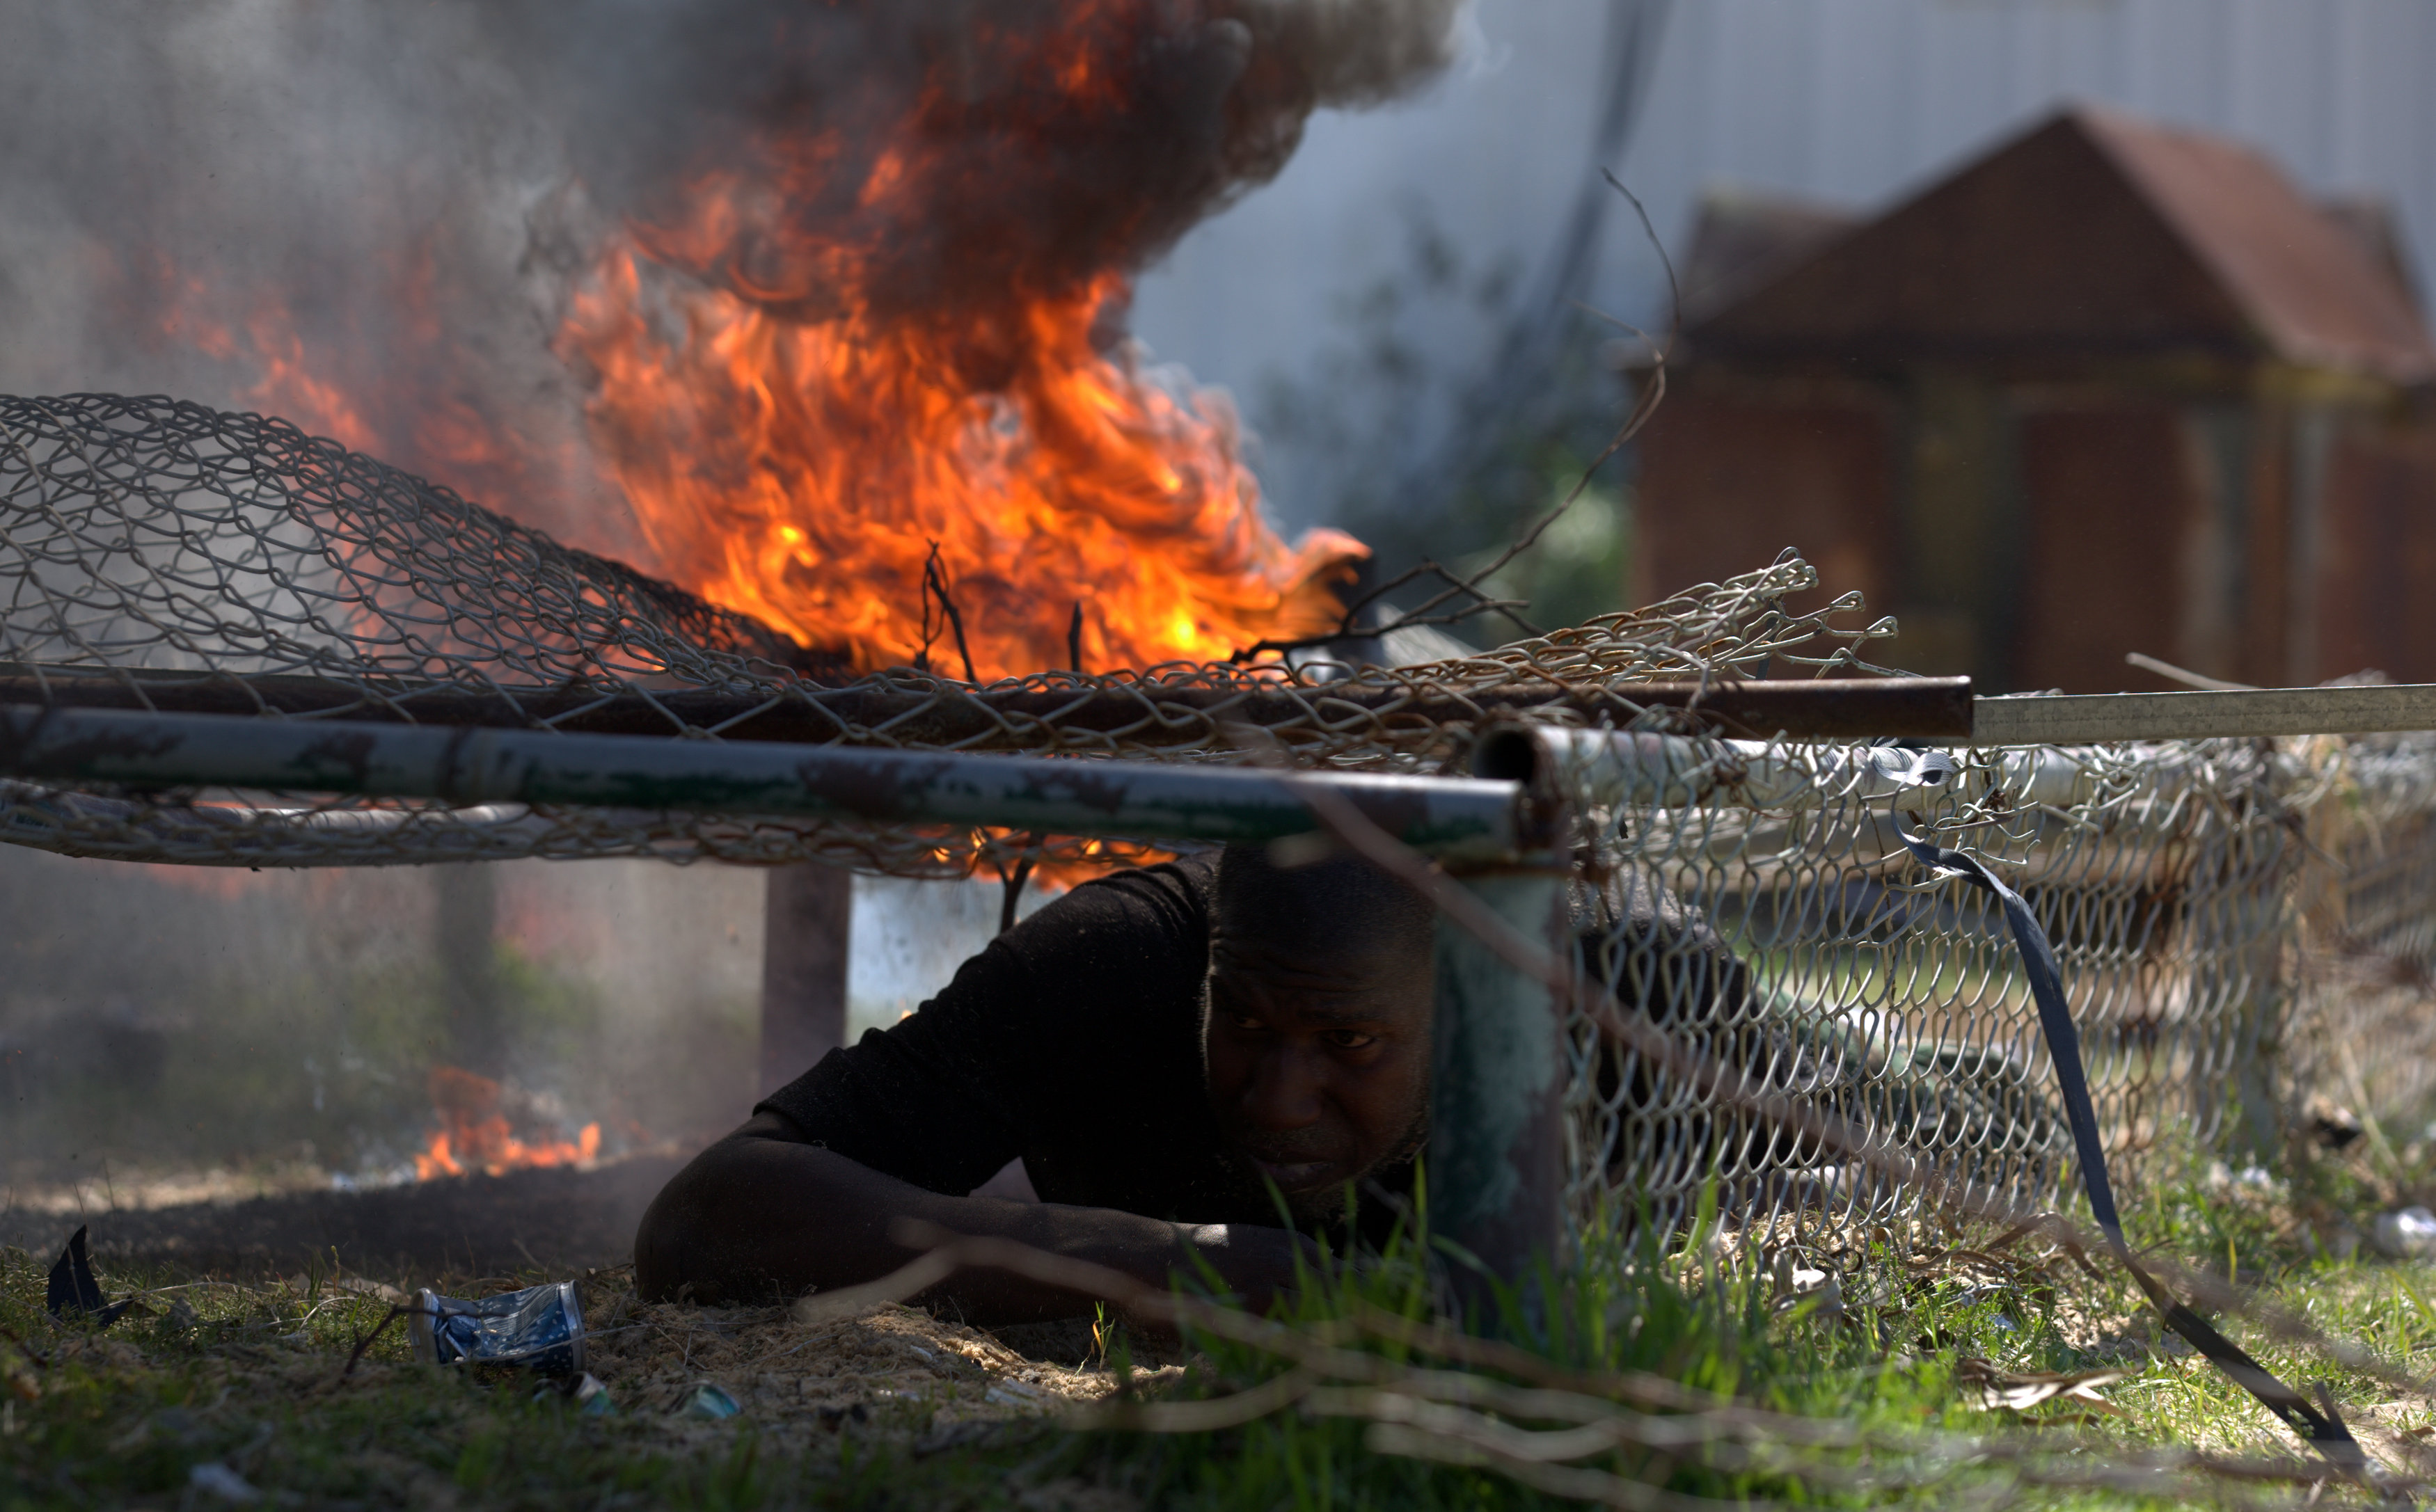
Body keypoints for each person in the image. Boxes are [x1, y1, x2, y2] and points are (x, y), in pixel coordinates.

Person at [634, 843, 1438, 1323]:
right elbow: (703, 1216)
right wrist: (1166, 1267)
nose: (1276, 1100)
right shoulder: (1116, 960)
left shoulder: (1550, 1026)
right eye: (1243, 1023)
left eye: (1349, 1041)